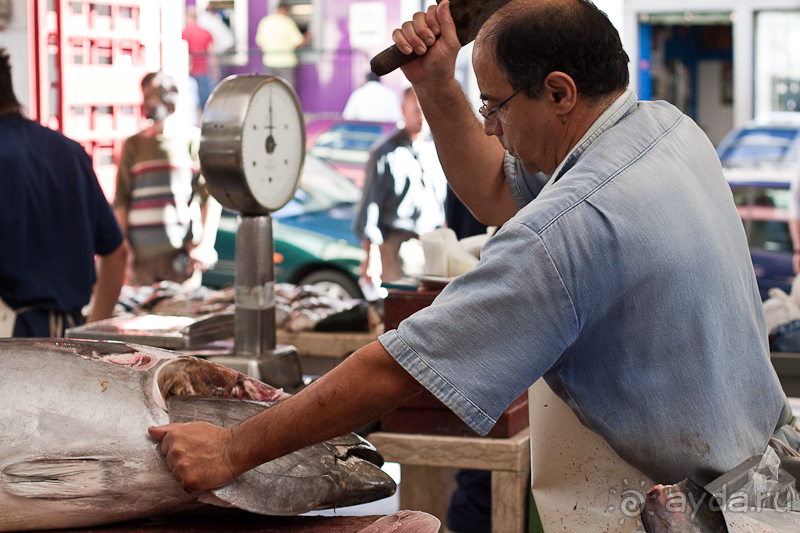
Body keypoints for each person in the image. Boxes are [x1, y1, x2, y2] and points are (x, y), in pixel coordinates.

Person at [149, 1, 796, 529]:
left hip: (713, 508)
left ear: (560, 92)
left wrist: (232, 448)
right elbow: (494, 191)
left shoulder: (567, 230)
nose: (489, 125)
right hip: (765, 475)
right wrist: (436, 81)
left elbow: (396, 368)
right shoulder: (664, 128)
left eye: (494, 105)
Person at [0, 48, 127, 338]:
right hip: (68, 341)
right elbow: (117, 254)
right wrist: (92, 332)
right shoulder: (69, 152)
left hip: (9, 350)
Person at [113, 70, 221, 288]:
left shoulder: (192, 140)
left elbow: (210, 197)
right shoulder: (133, 145)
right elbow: (121, 200)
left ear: (169, 98)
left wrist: (205, 245)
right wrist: (125, 252)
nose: (146, 103)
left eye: (152, 96)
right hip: (141, 263)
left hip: (181, 259)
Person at [352, 87, 448, 284]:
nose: (422, 116)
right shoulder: (385, 152)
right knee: (401, 305)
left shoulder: (435, 149)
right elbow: (370, 204)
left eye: (425, 110)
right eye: (416, 110)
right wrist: (370, 255)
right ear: (404, 110)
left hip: (433, 241)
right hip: (398, 243)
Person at [255, 2, 311, 88]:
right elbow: (299, 42)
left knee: (271, 88)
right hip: (286, 62)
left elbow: (260, 43)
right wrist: (308, 36)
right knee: (287, 89)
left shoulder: (265, 21)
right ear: (286, 10)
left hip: (269, 62)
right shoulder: (287, 22)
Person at [182, 6, 217, 109]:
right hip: (203, 70)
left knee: (190, 99)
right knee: (204, 99)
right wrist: (215, 70)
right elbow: (212, 54)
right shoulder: (206, 33)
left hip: (189, 71)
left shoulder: (184, 33)